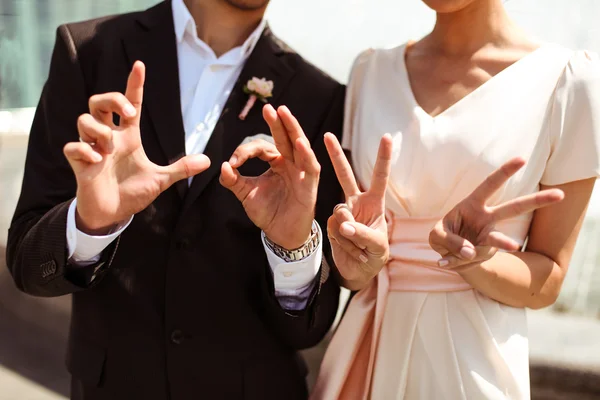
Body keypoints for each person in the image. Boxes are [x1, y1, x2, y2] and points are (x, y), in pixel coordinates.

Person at [6, 0, 345, 399]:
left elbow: (309, 329)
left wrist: (291, 248)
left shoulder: (319, 96)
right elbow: (28, 265)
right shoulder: (90, 50)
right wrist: (88, 224)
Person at [312, 0, 600, 398]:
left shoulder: (567, 79)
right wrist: (357, 253)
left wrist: (477, 260)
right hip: (361, 353)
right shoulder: (370, 71)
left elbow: (548, 279)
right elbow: (351, 270)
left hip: (471, 368)